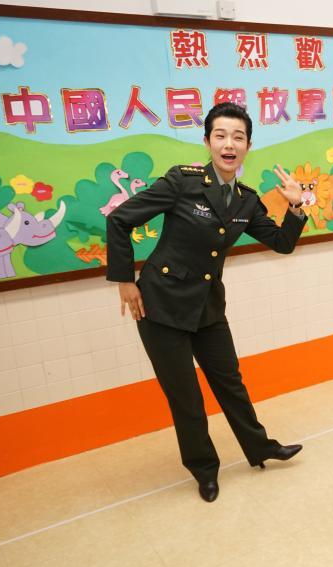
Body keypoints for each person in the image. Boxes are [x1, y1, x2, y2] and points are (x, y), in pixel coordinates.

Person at [106, 102, 306, 502]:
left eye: (238, 137)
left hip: (208, 307)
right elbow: (119, 220)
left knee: (231, 384)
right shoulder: (184, 182)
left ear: (248, 145)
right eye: (221, 135)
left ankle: (260, 447)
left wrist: (296, 205)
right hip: (160, 307)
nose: (229, 144)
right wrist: (125, 280)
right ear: (208, 141)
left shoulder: (247, 200)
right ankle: (204, 468)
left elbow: (282, 244)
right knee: (187, 398)